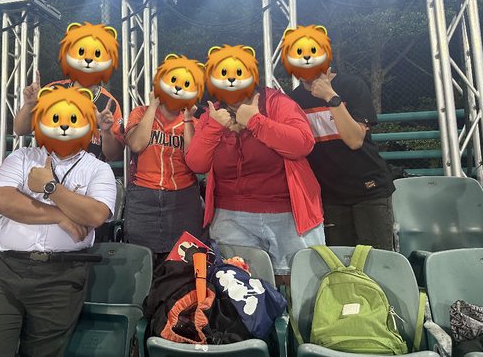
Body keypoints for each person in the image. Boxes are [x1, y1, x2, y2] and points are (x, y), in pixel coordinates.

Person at [0, 86, 116, 357]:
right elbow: (2, 200)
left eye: (73, 119)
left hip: (63, 274)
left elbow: (96, 215)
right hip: (7, 270)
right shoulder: (22, 157)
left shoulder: (98, 168)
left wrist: (50, 188)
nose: (63, 126)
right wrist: (62, 216)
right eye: (54, 118)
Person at [185, 45, 325, 285]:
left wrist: (255, 121)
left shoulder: (276, 103)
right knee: (239, 290)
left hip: (288, 213)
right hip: (230, 216)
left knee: (301, 286)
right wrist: (214, 128)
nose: (230, 79)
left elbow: (303, 144)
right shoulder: (213, 113)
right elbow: (197, 163)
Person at [283, 25, 395, 250]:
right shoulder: (293, 100)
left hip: (368, 190)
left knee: (378, 262)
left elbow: (355, 140)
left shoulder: (351, 86)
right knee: (338, 264)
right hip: (328, 196)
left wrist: (331, 97)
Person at [124, 55, 206, 267]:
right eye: (172, 80)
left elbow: (194, 161)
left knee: (182, 262)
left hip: (183, 198)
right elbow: (136, 144)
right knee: (142, 262)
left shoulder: (195, 122)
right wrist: (153, 106)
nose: (177, 87)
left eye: (186, 84)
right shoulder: (140, 113)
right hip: (144, 196)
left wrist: (187, 119)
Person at [14, 22, 123, 161]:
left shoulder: (110, 103)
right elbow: (20, 130)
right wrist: (29, 105)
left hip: (88, 172)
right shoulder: (52, 90)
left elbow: (114, 155)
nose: (88, 59)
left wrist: (106, 131)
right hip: (47, 169)